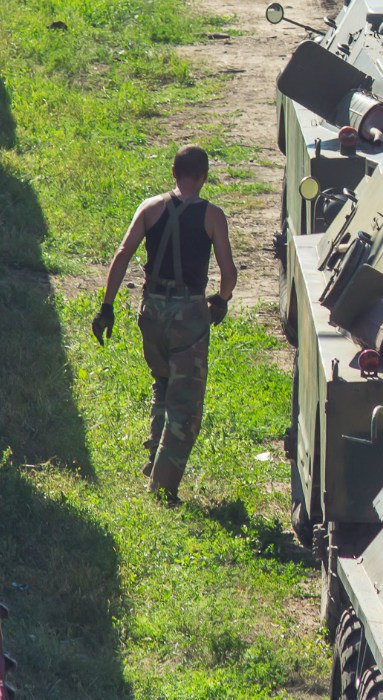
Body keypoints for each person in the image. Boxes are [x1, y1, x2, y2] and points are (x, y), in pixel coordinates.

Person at [92, 144, 237, 503]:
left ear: (173, 173)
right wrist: (220, 300)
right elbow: (229, 272)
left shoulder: (150, 208)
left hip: (152, 312)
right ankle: (162, 488)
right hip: (188, 314)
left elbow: (122, 254)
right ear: (204, 177)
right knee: (185, 405)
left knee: (163, 382)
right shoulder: (212, 216)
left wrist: (106, 307)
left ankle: (151, 458)